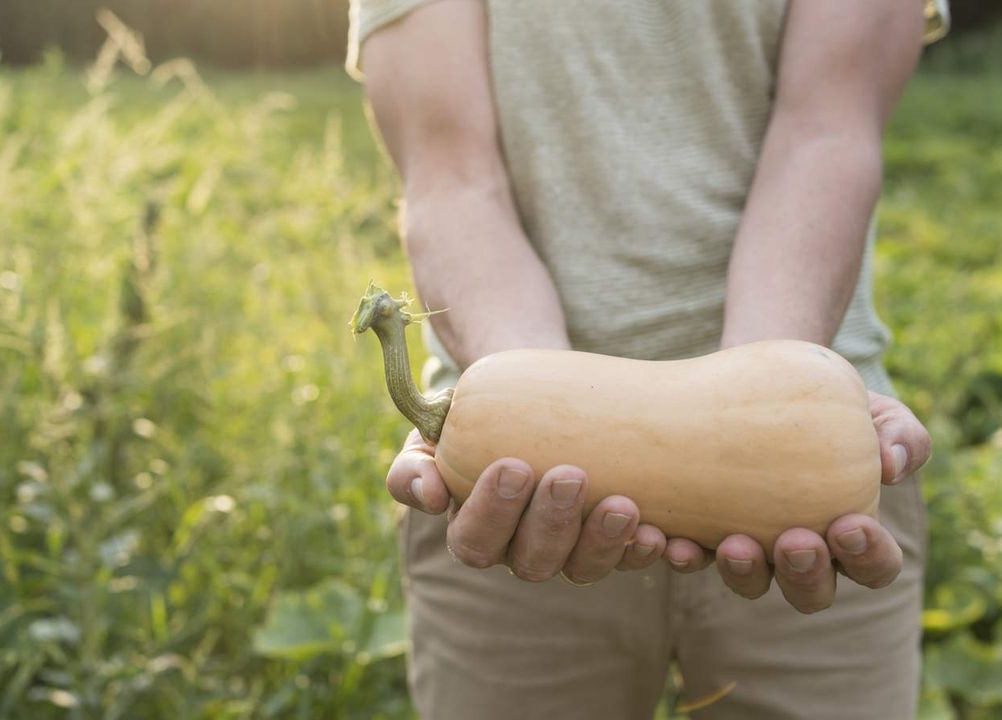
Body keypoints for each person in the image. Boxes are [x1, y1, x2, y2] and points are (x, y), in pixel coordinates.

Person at [348, 1, 946, 717]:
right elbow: (452, 172)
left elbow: (825, 131)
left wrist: (765, 415)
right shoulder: (492, 449)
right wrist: (532, 423)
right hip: (500, 503)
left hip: (815, 474)